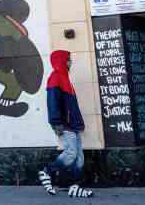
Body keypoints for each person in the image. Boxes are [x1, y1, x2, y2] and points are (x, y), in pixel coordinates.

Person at [38, 50, 93, 198]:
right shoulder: (55, 77)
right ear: (61, 61)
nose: (70, 62)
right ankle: (47, 171)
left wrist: (78, 122)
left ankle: (74, 186)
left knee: (79, 157)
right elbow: (52, 102)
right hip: (65, 124)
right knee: (71, 153)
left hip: (73, 123)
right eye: (68, 60)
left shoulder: (65, 77)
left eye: (70, 60)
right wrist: (56, 123)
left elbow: (71, 104)